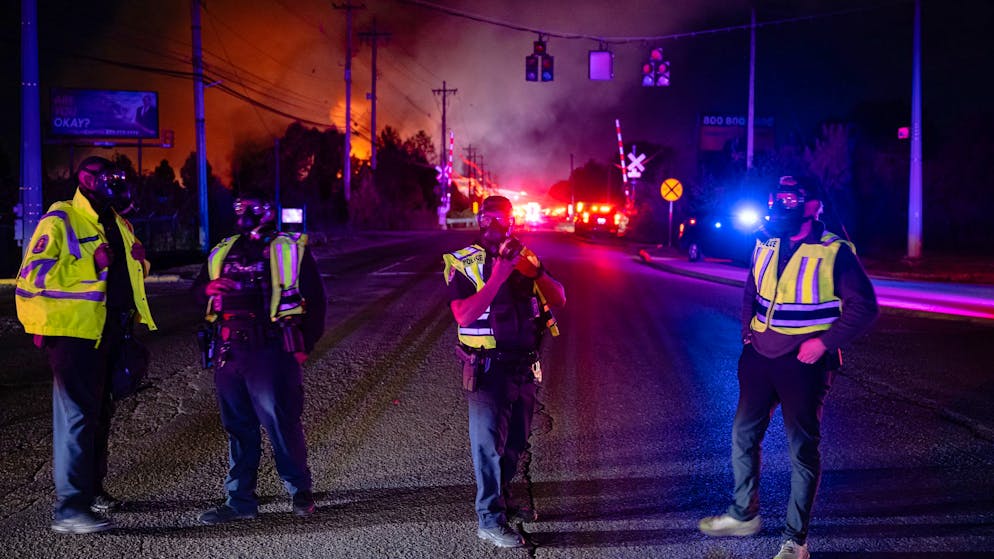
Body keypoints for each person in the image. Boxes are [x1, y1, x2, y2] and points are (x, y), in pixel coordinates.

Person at [698, 176, 879, 559]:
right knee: (743, 436)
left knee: (802, 451)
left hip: (804, 364)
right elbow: (752, 287)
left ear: (813, 206)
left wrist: (823, 344)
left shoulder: (835, 251)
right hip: (759, 357)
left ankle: (796, 542)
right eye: (777, 200)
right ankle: (744, 514)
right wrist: (747, 331)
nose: (781, 207)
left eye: (791, 200)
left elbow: (865, 307)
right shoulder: (766, 239)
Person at [15, 156, 157, 534]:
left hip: (111, 332)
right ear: (85, 179)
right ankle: (69, 509)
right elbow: (31, 276)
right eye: (109, 178)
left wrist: (142, 265)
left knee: (99, 415)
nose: (117, 184)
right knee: (77, 417)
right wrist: (90, 265)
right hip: (73, 335)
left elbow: (126, 270)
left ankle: (92, 492)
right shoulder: (60, 219)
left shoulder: (117, 221)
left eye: (120, 178)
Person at [192, 190, 326, 524]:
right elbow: (197, 290)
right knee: (238, 427)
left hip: (270, 348)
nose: (243, 215)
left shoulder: (289, 247)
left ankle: (300, 492)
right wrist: (208, 290)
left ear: (267, 211)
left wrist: (302, 346)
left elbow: (317, 301)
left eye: (250, 208)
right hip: (229, 349)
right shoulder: (224, 249)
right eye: (239, 209)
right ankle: (240, 501)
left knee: (281, 422)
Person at [443, 196, 566, 548]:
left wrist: (537, 272)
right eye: (487, 217)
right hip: (487, 369)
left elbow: (559, 299)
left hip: (523, 366)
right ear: (480, 221)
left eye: (502, 217)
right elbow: (463, 315)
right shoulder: (465, 262)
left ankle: (505, 497)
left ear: (513, 220)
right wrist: (497, 277)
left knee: (515, 443)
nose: (494, 224)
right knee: (488, 448)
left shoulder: (526, 258)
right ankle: (489, 519)